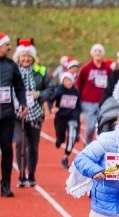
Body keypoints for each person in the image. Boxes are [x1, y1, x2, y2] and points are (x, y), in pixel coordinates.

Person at [12, 39, 48, 188]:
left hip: (36, 114)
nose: (26, 59)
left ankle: (31, 174)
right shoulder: (12, 71)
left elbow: (51, 89)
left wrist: (39, 94)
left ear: (33, 57)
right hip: (16, 114)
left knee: (33, 146)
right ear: (18, 58)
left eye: (28, 56)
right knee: (20, 143)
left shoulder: (41, 71)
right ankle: (21, 174)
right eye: (23, 56)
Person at [0, 32, 29, 197]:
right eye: (6, 45)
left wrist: (23, 102)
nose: (9, 48)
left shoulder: (11, 65)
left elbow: (19, 87)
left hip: (6, 115)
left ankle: (5, 185)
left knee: (7, 150)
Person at [76, 43, 114, 144]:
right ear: (92, 54)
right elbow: (78, 85)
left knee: (103, 127)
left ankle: (100, 148)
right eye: (96, 51)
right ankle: (87, 145)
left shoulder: (107, 69)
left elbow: (112, 84)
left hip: (103, 103)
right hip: (88, 103)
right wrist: (78, 103)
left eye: (100, 51)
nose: (98, 53)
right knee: (91, 126)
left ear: (103, 54)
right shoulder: (86, 69)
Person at [52, 70, 82, 169]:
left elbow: (79, 104)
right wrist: (52, 108)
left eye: (70, 80)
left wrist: (79, 113)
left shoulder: (75, 91)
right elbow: (50, 100)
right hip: (61, 117)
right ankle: (59, 140)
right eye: (66, 80)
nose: (68, 82)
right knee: (60, 136)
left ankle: (65, 157)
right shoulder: (59, 91)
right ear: (62, 82)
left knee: (72, 137)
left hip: (72, 117)